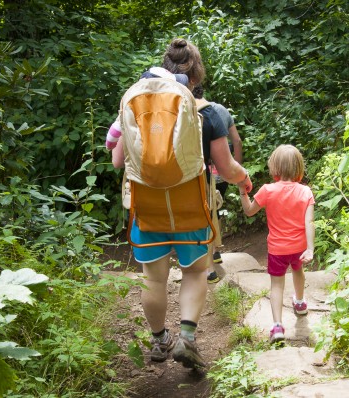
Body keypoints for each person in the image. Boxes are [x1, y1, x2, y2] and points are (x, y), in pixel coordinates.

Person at [111, 38, 252, 367]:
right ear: (197, 74)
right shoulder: (210, 112)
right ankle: (187, 337)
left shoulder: (136, 104)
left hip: (147, 206)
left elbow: (118, 160)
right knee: (194, 271)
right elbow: (227, 168)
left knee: (154, 278)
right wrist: (244, 179)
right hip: (191, 205)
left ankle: (161, 341)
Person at [238, 144, 315, 343]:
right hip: (299, 247)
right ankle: (299, 303)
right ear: (298, 167)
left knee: (277, 285)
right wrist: (310, 248)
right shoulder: (305, 192)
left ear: (275, 168)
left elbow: (249, 211)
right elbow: (310, 222)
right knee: (298, 271)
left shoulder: (267, 190)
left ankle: (277, 327)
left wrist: (242, 191)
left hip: (277, 249)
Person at [191, 84, 243, 283]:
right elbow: (236, 141)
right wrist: (235, 167)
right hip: (221, 171)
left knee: (203, 212)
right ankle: (215, 252)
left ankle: (208, 266)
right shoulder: (220, 110)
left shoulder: (184, 110)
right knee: (216, 209)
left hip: (198, 172)